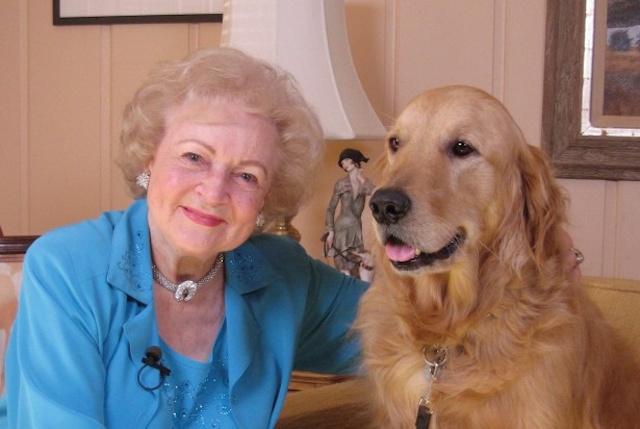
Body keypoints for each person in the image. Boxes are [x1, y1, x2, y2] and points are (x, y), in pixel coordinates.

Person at [0, 48, 368, 429]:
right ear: (149, 158)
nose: (213, 192)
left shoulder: (283, 275)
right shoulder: (66, 269)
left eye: (247, 176)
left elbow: (415, 329)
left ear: (266, 200)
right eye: (194, 157)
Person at [323, 149, 375, 279]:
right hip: (341, 228)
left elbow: (376, 193)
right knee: (343, 267)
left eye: (346, 160)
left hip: (356, 228)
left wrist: (360, 178)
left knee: (358, 266)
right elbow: (331, 208)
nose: (343, 164)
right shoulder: (341, 184)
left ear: (354, 160)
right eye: (342, 162)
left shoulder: (364, 183)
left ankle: (357, 295)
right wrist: (330, 231)